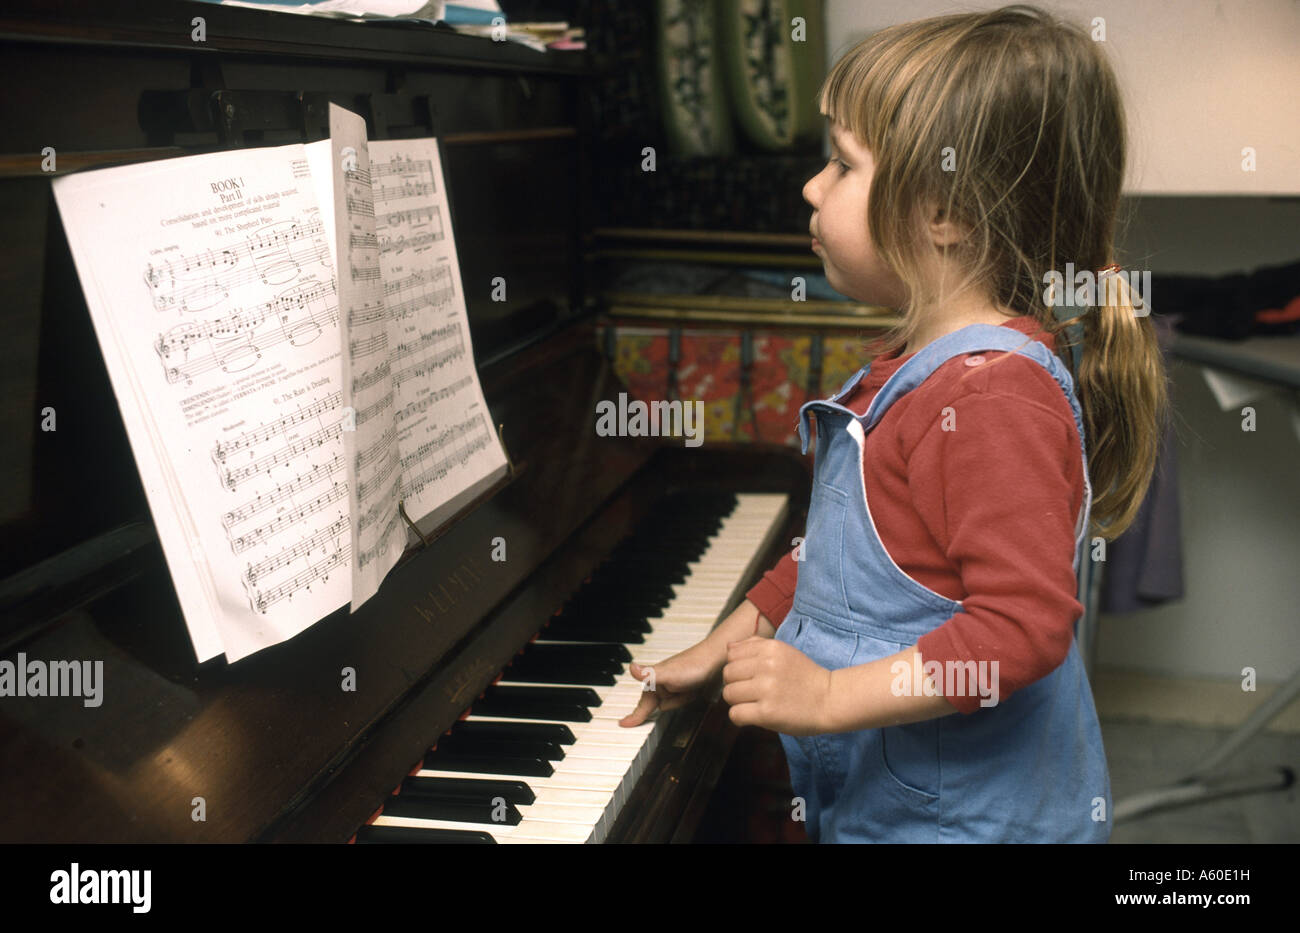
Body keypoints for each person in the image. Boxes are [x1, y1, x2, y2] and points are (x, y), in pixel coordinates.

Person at [619, 4, 1169, 843]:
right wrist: (727, 640)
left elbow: (1023, 627)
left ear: (943, 210)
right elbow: (836, 559)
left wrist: (831, 696)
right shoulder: (912, 365)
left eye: (841, 165)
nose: (811, 185)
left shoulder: (989, 401)